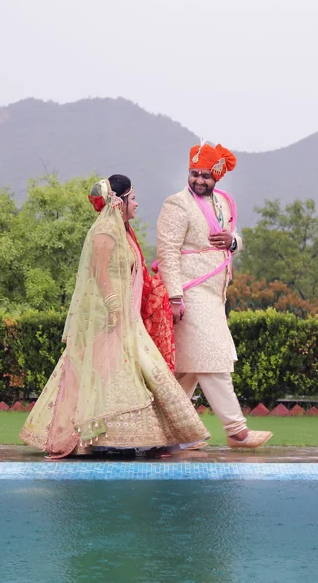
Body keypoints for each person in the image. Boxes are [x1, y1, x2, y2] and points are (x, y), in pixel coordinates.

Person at [20, 175, 210, 458]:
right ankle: (101, 437)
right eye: (133, 199)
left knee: (146, 373)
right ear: (119, 202)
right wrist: (113, 307)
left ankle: (156, 436)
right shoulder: (105, 233)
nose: (137, 203)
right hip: (111, 320)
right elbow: (99, 273)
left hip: (126, 320)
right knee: (111, 375)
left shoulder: (123, 233)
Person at [155, 143, 273, 449]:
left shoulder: (223, 202)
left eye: (206, 176)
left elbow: (236, 239)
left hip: (215, 293)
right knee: (213, 359)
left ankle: (172, 435)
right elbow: (167, 253)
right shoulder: (176, 204)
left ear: (217, 178)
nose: (199, 181)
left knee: (189, 368)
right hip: (190, 292)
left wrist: (233, 242)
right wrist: (175, 297)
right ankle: (237, 431)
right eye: (195, 174)